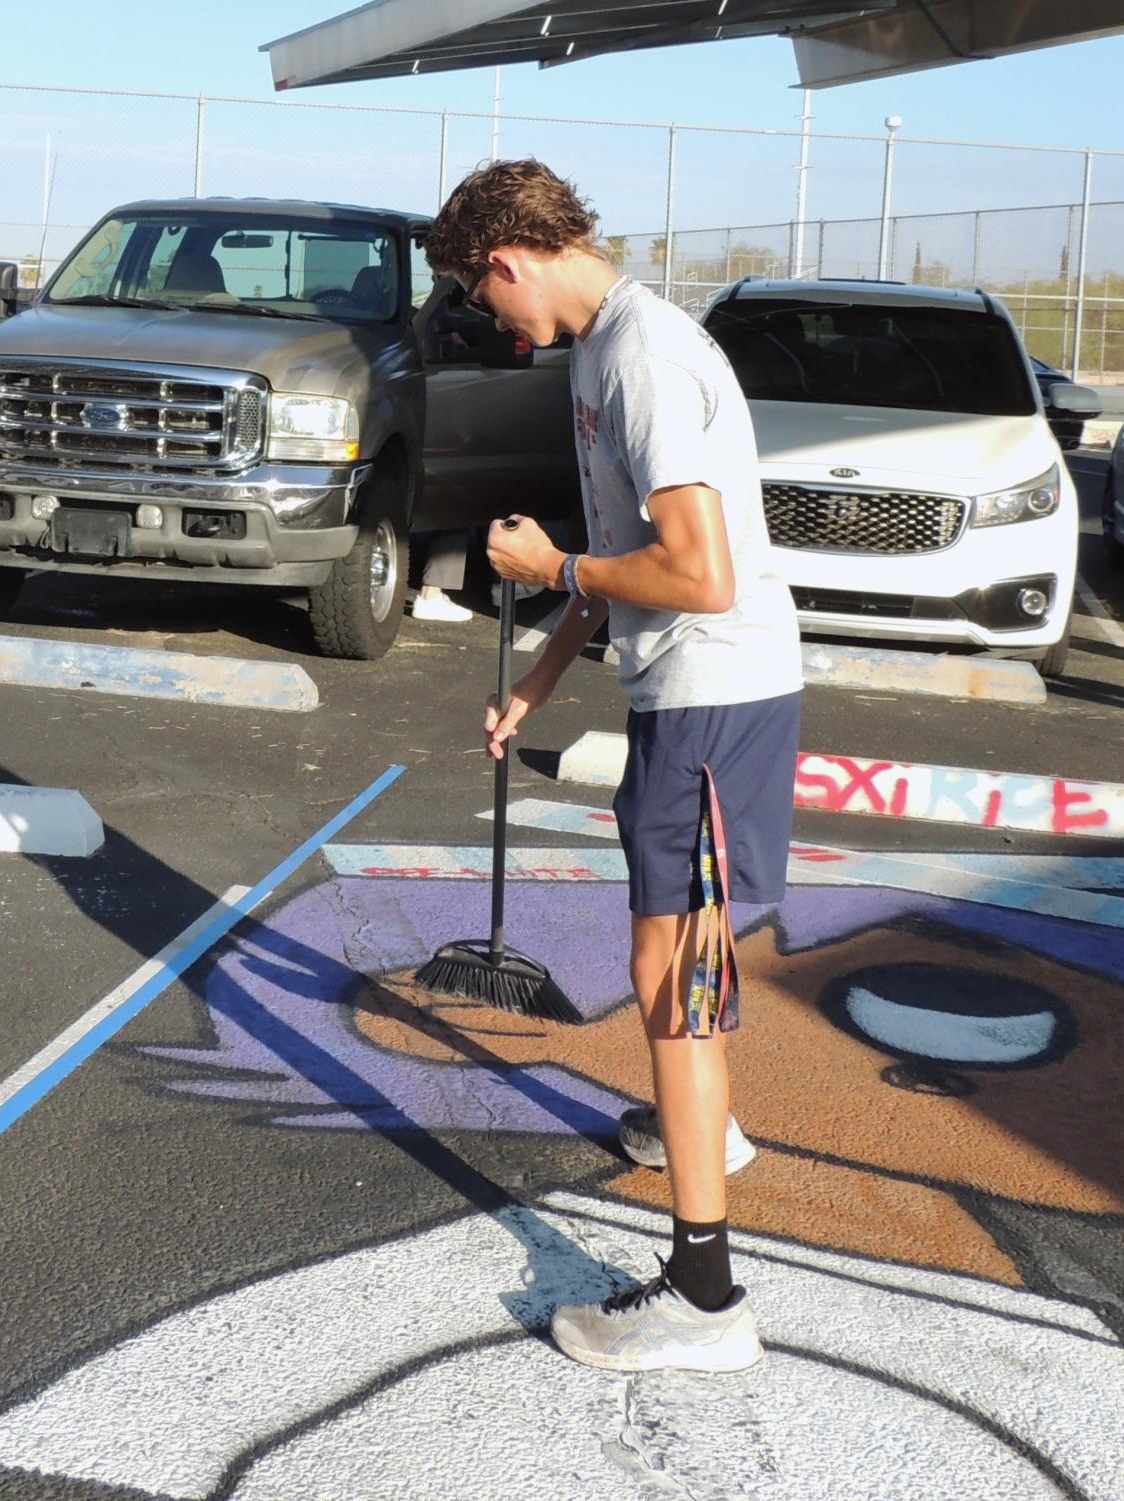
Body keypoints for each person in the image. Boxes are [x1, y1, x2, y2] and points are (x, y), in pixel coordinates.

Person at [425, 159, 803, 1374]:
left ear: (509, 260)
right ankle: (709, 1129)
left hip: (717, 692)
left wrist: (554, 575)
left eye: (488, 302)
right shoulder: (598, 350)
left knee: (671, 965)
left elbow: (699, 575)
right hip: (685, 694)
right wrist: (538, 677)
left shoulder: (643, 358)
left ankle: (704, 1297)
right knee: (678, 958)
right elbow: (623, 550)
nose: (497, 324)